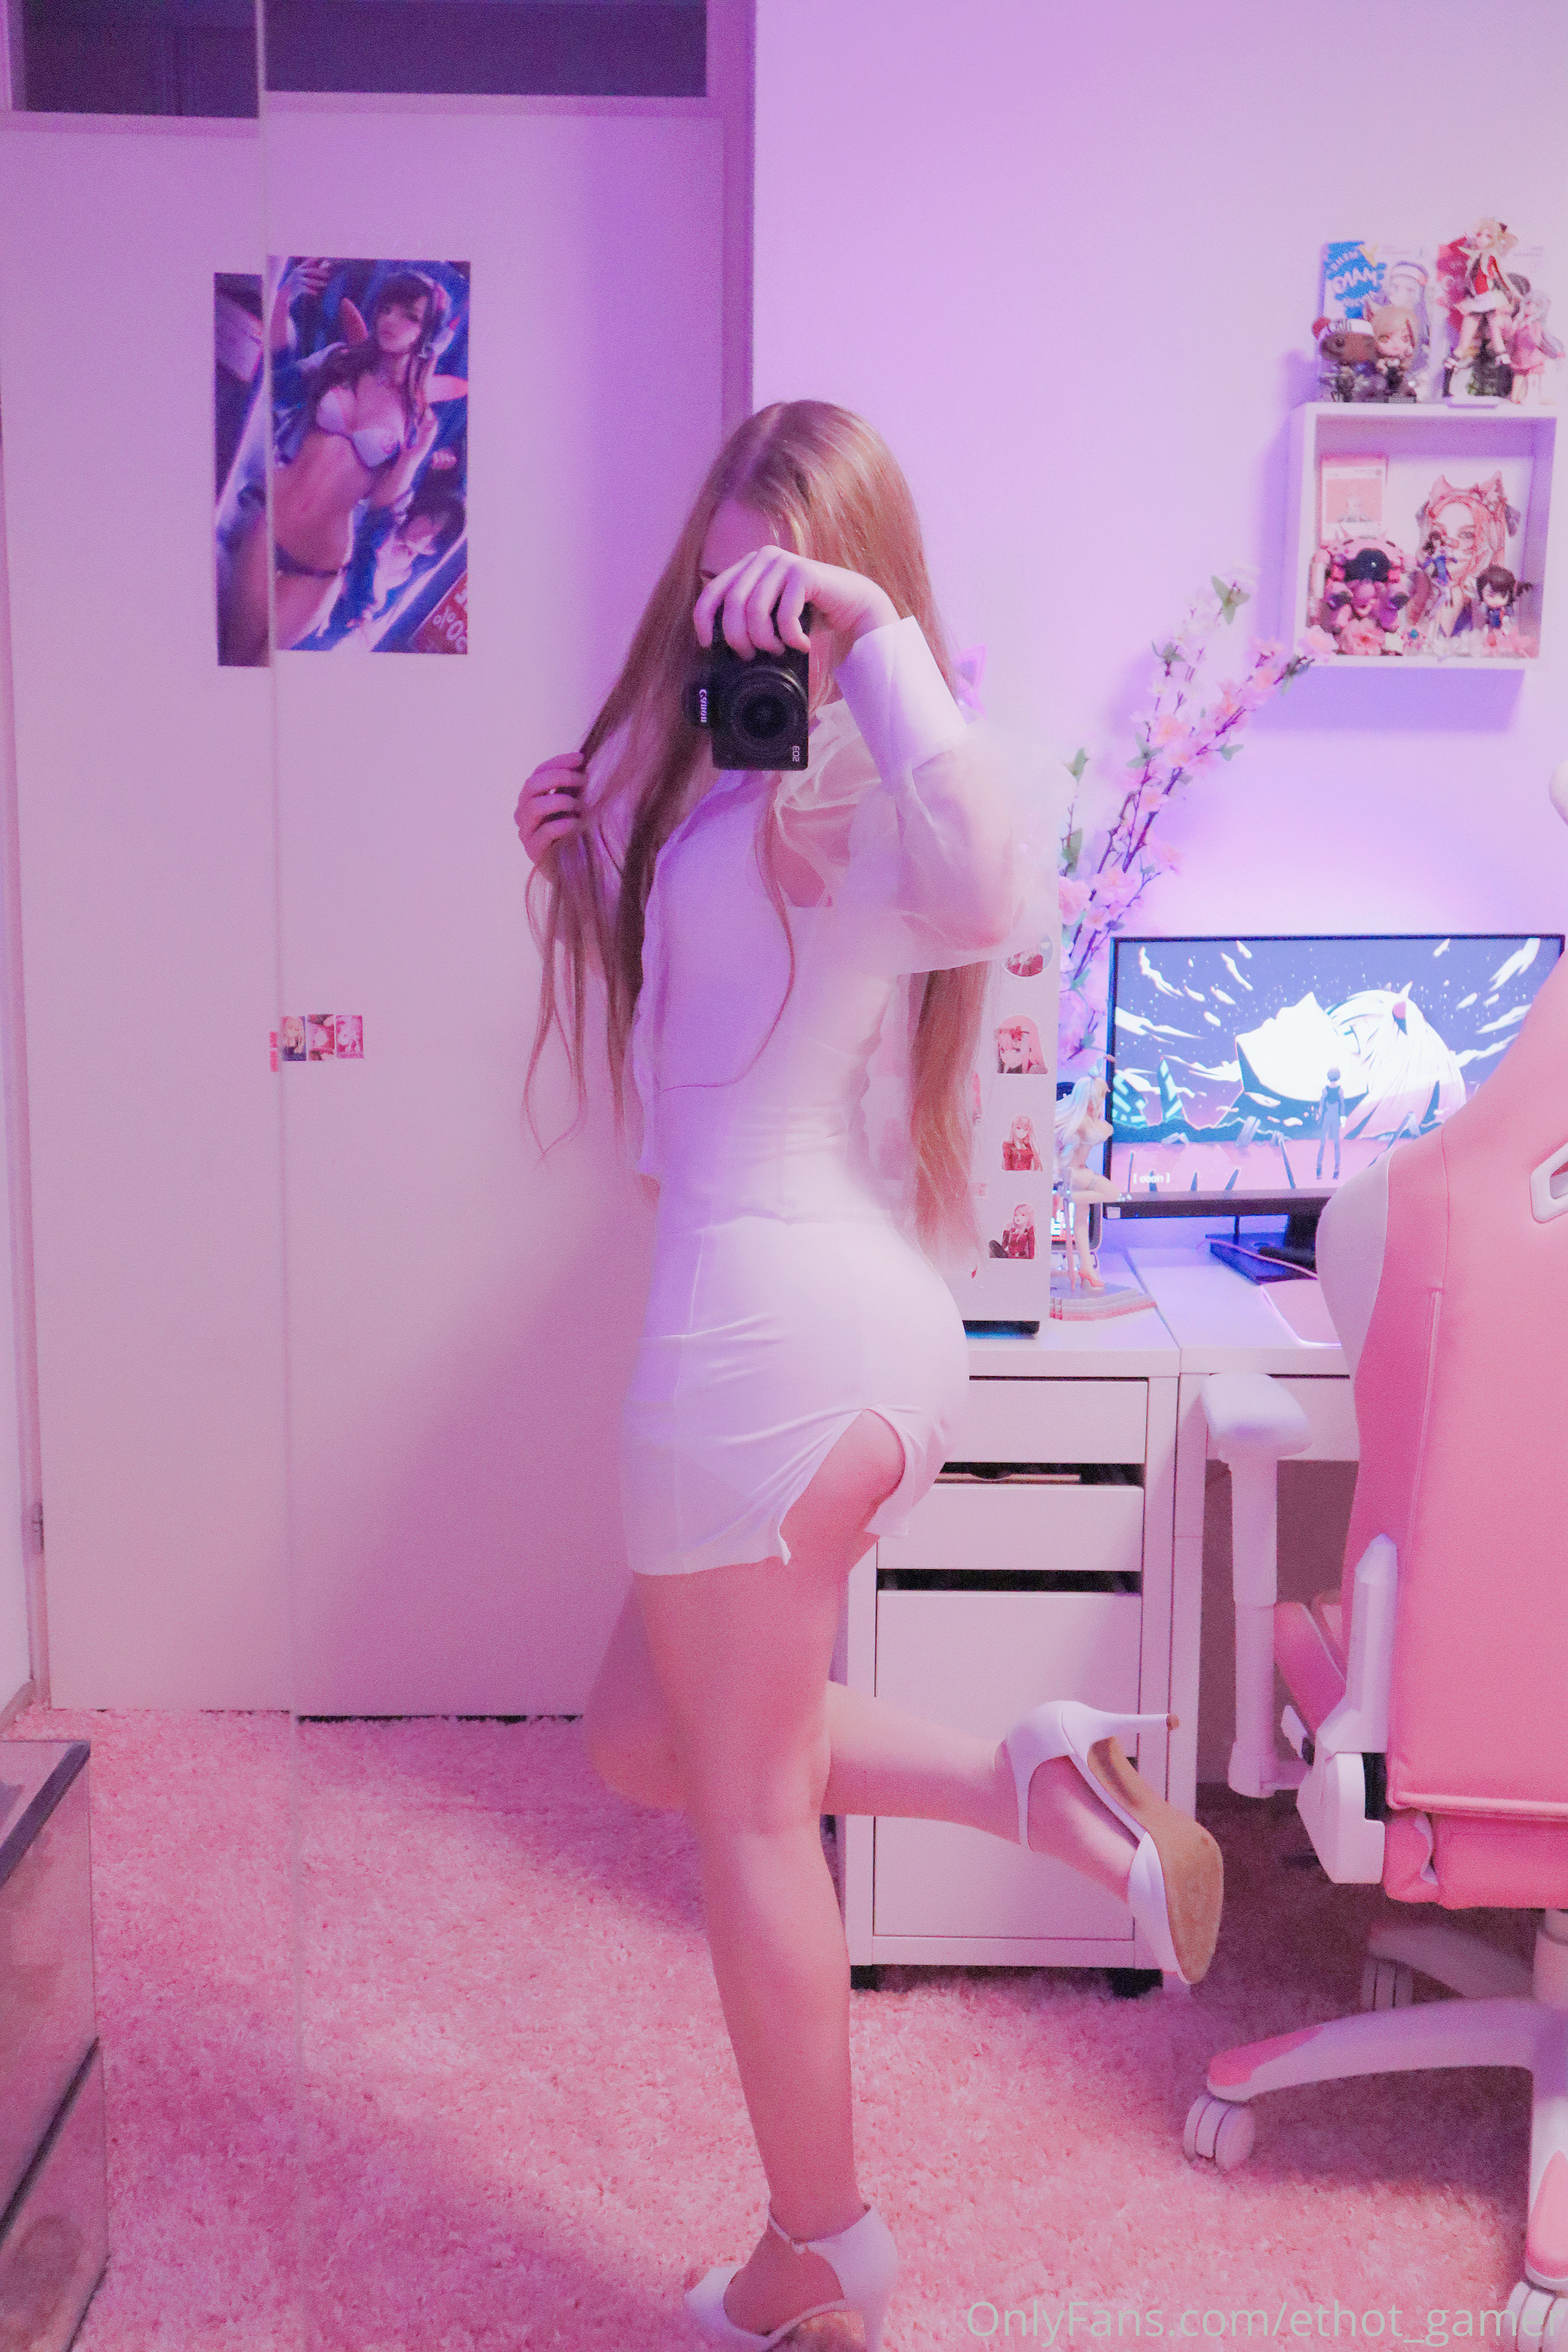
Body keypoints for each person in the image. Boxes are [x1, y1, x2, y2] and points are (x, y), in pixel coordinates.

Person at [516, 401, 1223, 2351]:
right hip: (830, 1328)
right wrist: (588, 873)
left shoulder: (845, 788)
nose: (754, 635)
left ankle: (817, 2257)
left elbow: (992, 891)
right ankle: (1028, 1781)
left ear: (847, 600)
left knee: (746, 1812)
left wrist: (872, 644)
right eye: (726, 599)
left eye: (788, 599)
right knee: (644, 1737)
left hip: (761, 1342)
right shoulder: (726, 814)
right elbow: (693, 1072)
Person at [220, 262, 467, 664]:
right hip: (269, 526)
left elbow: (383, 511)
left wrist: (416, 456)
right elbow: (280, 388)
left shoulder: (418, 420)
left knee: (264, 669)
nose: (391, 321)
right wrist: (283, 299)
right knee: (236, 662)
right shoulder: (341, 360)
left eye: (410, 316)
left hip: (319, 565)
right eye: (387, 308)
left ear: (431, 335)